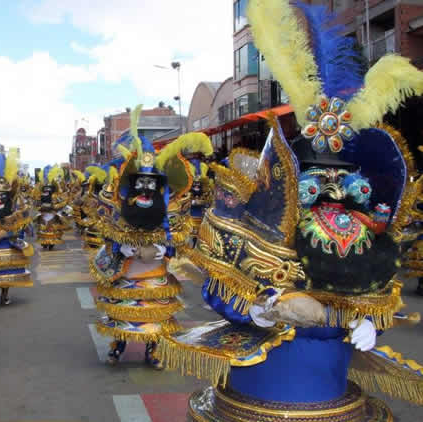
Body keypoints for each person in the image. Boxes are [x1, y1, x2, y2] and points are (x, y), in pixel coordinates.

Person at [158, 1, 423, 420]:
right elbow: (218, 288)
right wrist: (261, 310)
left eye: (344, 181)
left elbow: (379, 296)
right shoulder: (260, 228)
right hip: (263, 387)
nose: (333, 194)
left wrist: (370, 322)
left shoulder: (367, 243)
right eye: (320, 180)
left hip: (330, 389)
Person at [92, 107, 201, 369]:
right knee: (124, 312)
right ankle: (118, 347)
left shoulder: (170, 210)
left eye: (151, 184)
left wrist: (160, 251)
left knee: (156, 315)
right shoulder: (122, 208)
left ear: (159, 187)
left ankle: (153, 351)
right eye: (141, 182)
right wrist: (130, 250)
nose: (145, 188)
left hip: (155, 273)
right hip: (128, 272)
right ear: (134, 183)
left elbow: (178, 238)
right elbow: (111, 235)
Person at [0, 149, 34, 305]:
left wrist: (7, 233)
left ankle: (4, 294)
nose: (0, 197)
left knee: (6, 272)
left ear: (8, 194)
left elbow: (20, 225)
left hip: (7, 242)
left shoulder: (14, 206)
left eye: (3, 194)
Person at [34, 165, 70, 250]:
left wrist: (54, 207)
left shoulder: (56, 196)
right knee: (42, 229)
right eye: (46, 189)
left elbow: (63, 202)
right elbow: (36, 203)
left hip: (53, 215)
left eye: (49, 189)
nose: (47, 191)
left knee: (52, 229)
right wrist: (41, 208)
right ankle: (44, 243)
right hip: (43, 215)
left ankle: (51, 244)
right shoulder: (40, 195)